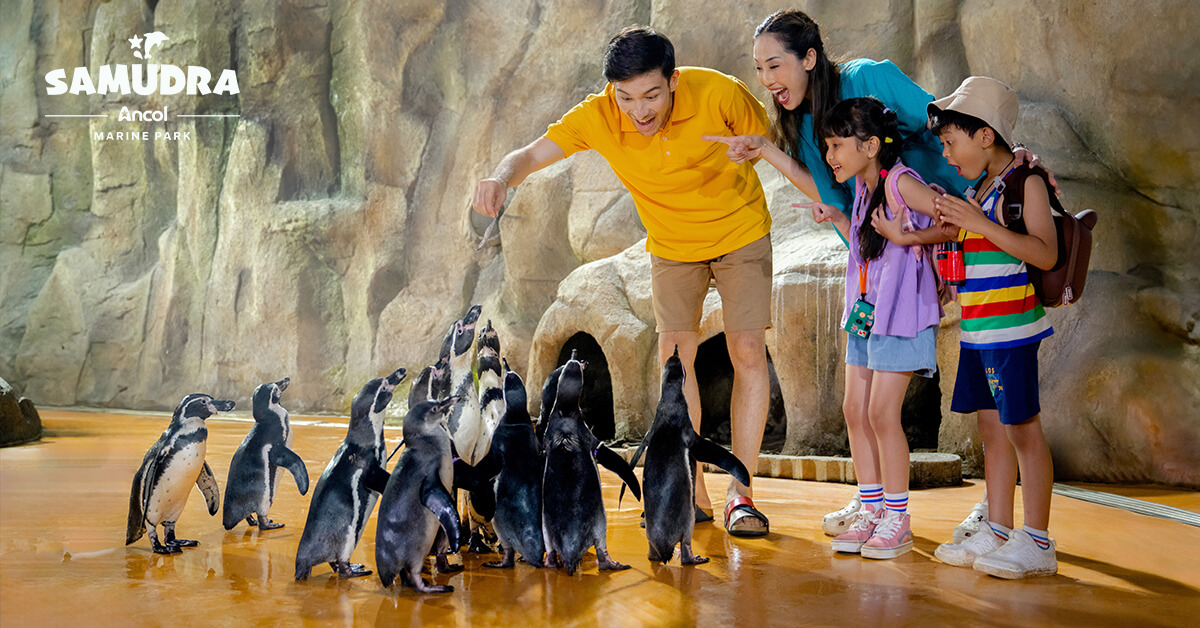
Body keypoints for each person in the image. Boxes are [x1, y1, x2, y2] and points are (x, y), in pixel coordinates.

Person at [472, 26, 774, 537]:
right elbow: (529, 155)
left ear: (673, 80)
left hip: (740, 232)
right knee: (676, 363)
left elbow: (770, 139)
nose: (640, 109)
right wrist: (500, 177)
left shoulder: (719, 92)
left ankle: (740, 496)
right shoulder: (599, 115)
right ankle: (689, 489)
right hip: (672, 247)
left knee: (747, 351)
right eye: (627, 97)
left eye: (652, 94)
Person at [707, 8, 994, 539]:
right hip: (881, 269)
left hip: (953, 225)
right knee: (862, 404)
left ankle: (992, 514)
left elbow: (944, 127)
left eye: (775, 65)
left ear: (809, 58)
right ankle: (877, 506)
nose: (767, 80)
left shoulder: (866, 81)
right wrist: (768, 150)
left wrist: (1000, 176)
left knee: (991, 370)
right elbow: (835, 194)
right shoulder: (805, 124)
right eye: (758, 69)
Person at [800, 97, 949, 559]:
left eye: (837, 144)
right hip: (868, 313)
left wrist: (908, 237)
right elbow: (871, 247)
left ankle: (897, 519)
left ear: (869, 145)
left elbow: (951, 222)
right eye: (826, 145)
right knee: (855, 410)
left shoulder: (901, 181)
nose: (830, 156)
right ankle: (870, 507)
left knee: (883, 414)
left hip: (901, 314)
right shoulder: (866, 186)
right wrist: (841, 219)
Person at [927, 76, 1059, 579]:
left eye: (951, 142)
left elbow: (1045, 251)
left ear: (986, 135)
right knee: (990, 429)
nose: (947, 152)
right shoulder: (979, 187)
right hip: (978, 330)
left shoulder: (1027, 184)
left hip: (1012, 331)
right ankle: (999, 528)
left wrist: (979, 224)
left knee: (1022, 428)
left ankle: (1039, 541)